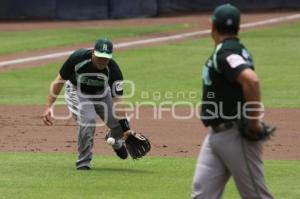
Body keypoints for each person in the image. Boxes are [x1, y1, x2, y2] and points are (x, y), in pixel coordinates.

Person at [192, 4, 274, 199]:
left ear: (212, 26)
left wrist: (253, 122)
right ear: (238, 27)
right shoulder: (233, 49)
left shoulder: (225, 52)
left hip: (235, 135)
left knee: (256, 195)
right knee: (202, 193)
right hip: (216, 136)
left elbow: (251, 80)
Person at [42, 38, 130, 170]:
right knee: (88, 120)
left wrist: (126, 129)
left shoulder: (114, 69)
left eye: (106, 58)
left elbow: (118, 100)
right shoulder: (78, 58)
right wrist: (49, 106)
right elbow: (59, 81)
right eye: (100, 56)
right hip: (77, 91)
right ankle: (83, 162)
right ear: (93, 52)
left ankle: (114, 140)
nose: (102, 61)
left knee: (121, 124)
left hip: (101, 92)